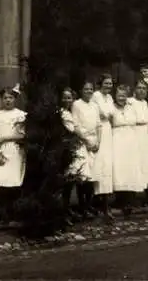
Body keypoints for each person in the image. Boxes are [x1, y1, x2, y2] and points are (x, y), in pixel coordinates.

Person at [0, 87, 26, 225]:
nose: (7, 100)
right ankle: (3, 213)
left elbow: (21, 135)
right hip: (1, 151)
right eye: (5, 98)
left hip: (16, 150)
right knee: (1, 182)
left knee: (14, 182)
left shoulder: (21, 115)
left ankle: (14, 213)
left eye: (10, 98)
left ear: (15, 99)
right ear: (1, 99)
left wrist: (4, 138)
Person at [71, 82, 101, 220]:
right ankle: (82, 206)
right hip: (82, 141)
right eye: (86, 89)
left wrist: (98, 141)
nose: (89, 91)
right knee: (83, 174)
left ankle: (89, 205)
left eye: (91, 89)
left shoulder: (95, 105)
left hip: (94, 141)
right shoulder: (77, 104)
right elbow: (75, 125)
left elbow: (99, 125)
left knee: (93, 175)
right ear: (81, 90)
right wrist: (86, 140)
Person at [111, 85, 141, 216]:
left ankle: (130, 200)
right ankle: (120, 200)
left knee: (131, 168)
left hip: (130, 140)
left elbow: (137, 121)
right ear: (115, 96)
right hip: (117, 140)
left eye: (124, 95)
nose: (121, 98)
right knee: (120, 169)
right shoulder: (111, 108)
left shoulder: (131, 107)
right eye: (119, 95)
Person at [90, 74, 115, 220]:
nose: (108, 86)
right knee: (98, 164)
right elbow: (102, 114)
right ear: (100, 84)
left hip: (108, 131)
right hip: (98, 130)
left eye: (110, 84)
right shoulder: (96, 96)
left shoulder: (110, 98)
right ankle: (97, 202)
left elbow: (111, 115)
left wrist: (108, 116)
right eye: (106, 83)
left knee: (107, 165)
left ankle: (104, 202)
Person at [59, 87, 85, 225]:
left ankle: (67, 209)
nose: (67, 100)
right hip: (65, 147)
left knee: (72, 180)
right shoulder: (61, 113)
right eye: (64, 97)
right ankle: (63, 212)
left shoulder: (72, 111)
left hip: (73, 146)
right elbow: (71, 129)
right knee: (66, 181)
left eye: (69, 98)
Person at [128, 81, 148, 202]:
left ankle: (140, 195)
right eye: (139, 88)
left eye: (144, 88)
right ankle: (129, 196)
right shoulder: (130, 101)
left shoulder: (145, 103)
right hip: (133, 133)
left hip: (143, 135)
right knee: (133, 164)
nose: (141, 90)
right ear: (135, 89)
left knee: (143, 163)